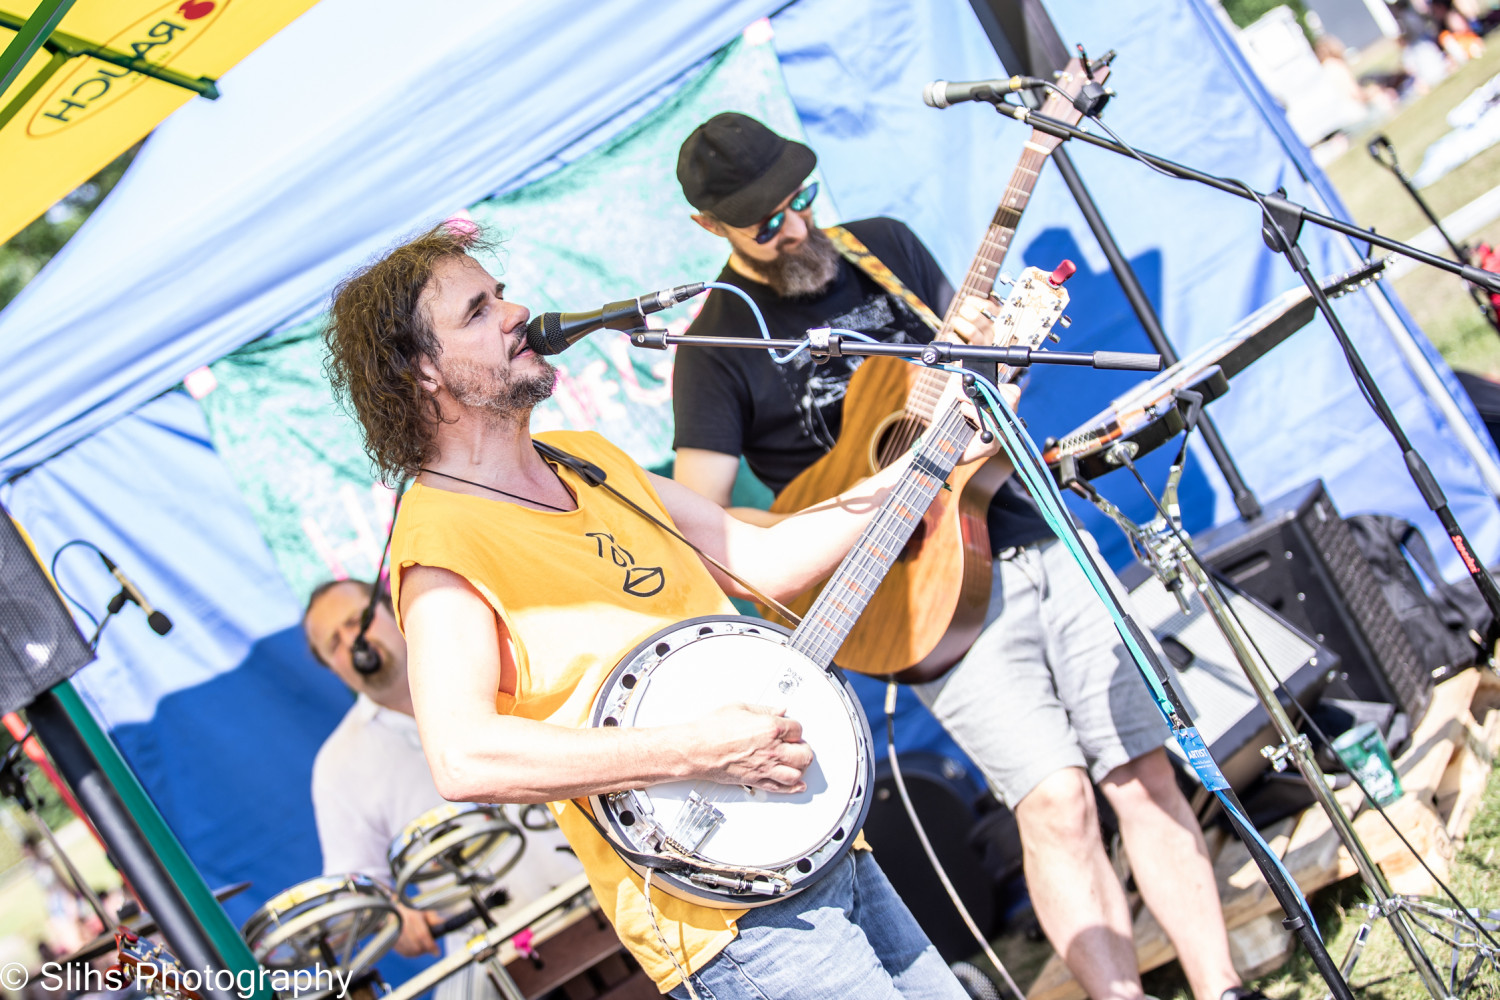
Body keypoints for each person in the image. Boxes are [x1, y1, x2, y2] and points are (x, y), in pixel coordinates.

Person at [321, 222, 1000, 999]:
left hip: (815, 834)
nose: (515, 313)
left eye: (502, 293)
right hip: (721, 919)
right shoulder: (439, 539)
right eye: (477, 310)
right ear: (422, 371)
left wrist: (934, 456)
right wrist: (696, 750)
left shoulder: (587, 458)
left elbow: (762, 557)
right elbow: (463, 756)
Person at [670, 112, 1257, 1000]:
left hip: (1024, 526)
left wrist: (995, 374)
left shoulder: (884, 249)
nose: (792, 225)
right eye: (763, 220)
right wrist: (864, 495)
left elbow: (978, 371)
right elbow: (703, 528)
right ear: (708, 228)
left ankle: (1222, 987)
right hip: (921, 593)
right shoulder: (716, 348)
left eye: (801, 198)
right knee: (1055, 801)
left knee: (1140, 765)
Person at [303, 577, 581, 997]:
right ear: (331, 666)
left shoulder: (495, 662)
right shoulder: (339, 764)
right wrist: (390, 919)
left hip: (602, 896)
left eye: (356, 622)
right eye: (333, 644)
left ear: (392, 609)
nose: (352, 643)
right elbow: (358, 887)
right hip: (497, 954)